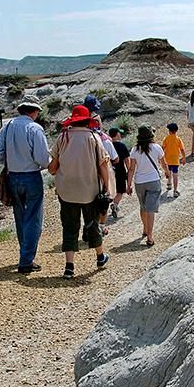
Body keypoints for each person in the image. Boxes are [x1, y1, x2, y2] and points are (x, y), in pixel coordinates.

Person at [48, 105, 111, 279]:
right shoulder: (94, 137)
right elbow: (103, 165)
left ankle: (69, 267)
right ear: (86, 121)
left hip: (66, 191)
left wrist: (53, 171)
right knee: (92, 224)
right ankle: (100, 257)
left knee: (69, 227)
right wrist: (108, 188)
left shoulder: (63, 137)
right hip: (89, 191)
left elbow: (53, 166)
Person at [0, 98, 50, 274]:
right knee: (33, 219)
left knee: (20, 217)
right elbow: (42, 159)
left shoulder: (8, 126)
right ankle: (26, 261)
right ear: (34, 111)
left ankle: (25, 255)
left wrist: (8, 161)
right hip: (31, 177)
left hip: (12, 177)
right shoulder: (34, 128)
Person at [126, 126, 169, 247]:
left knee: (143, 207)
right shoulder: (156, 147)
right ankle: (150, 237)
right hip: (153, 180)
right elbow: (163, 163)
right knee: (151, 209)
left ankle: (145, 229)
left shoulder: (134, 150)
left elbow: (131, 169)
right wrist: (167, 172)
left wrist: (128, 185)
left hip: (139, 182)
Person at [84, 95, 118, 235]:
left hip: (86, 174)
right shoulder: (104, 140)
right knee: (104, 200)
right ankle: (101, 226)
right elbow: (114, 159)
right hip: (102, 175)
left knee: (88, 203)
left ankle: (88, 226)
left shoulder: (82, 136)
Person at [108, 127, 130, 219]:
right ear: (117, 134)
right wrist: (129, 170)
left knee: (112, 189)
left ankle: (112, 203)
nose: (120, 135)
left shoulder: (107, 145)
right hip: (120, 171)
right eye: (119, 133)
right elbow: (127, 160)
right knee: (120, 191)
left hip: (109, 171)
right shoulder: (122, 146)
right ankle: (115, 204)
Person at [161, 123, 186, 197]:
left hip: (167, 159)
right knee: (175, 175)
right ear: (176, 131)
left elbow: (162, 148)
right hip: (175, 160)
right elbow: (182, 149)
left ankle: (169, 184)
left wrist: (161, 158)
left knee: (169, 172)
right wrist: (184, 158)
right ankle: (175, 191)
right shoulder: (178, 139)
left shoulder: (166, 138)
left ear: (170, 131)